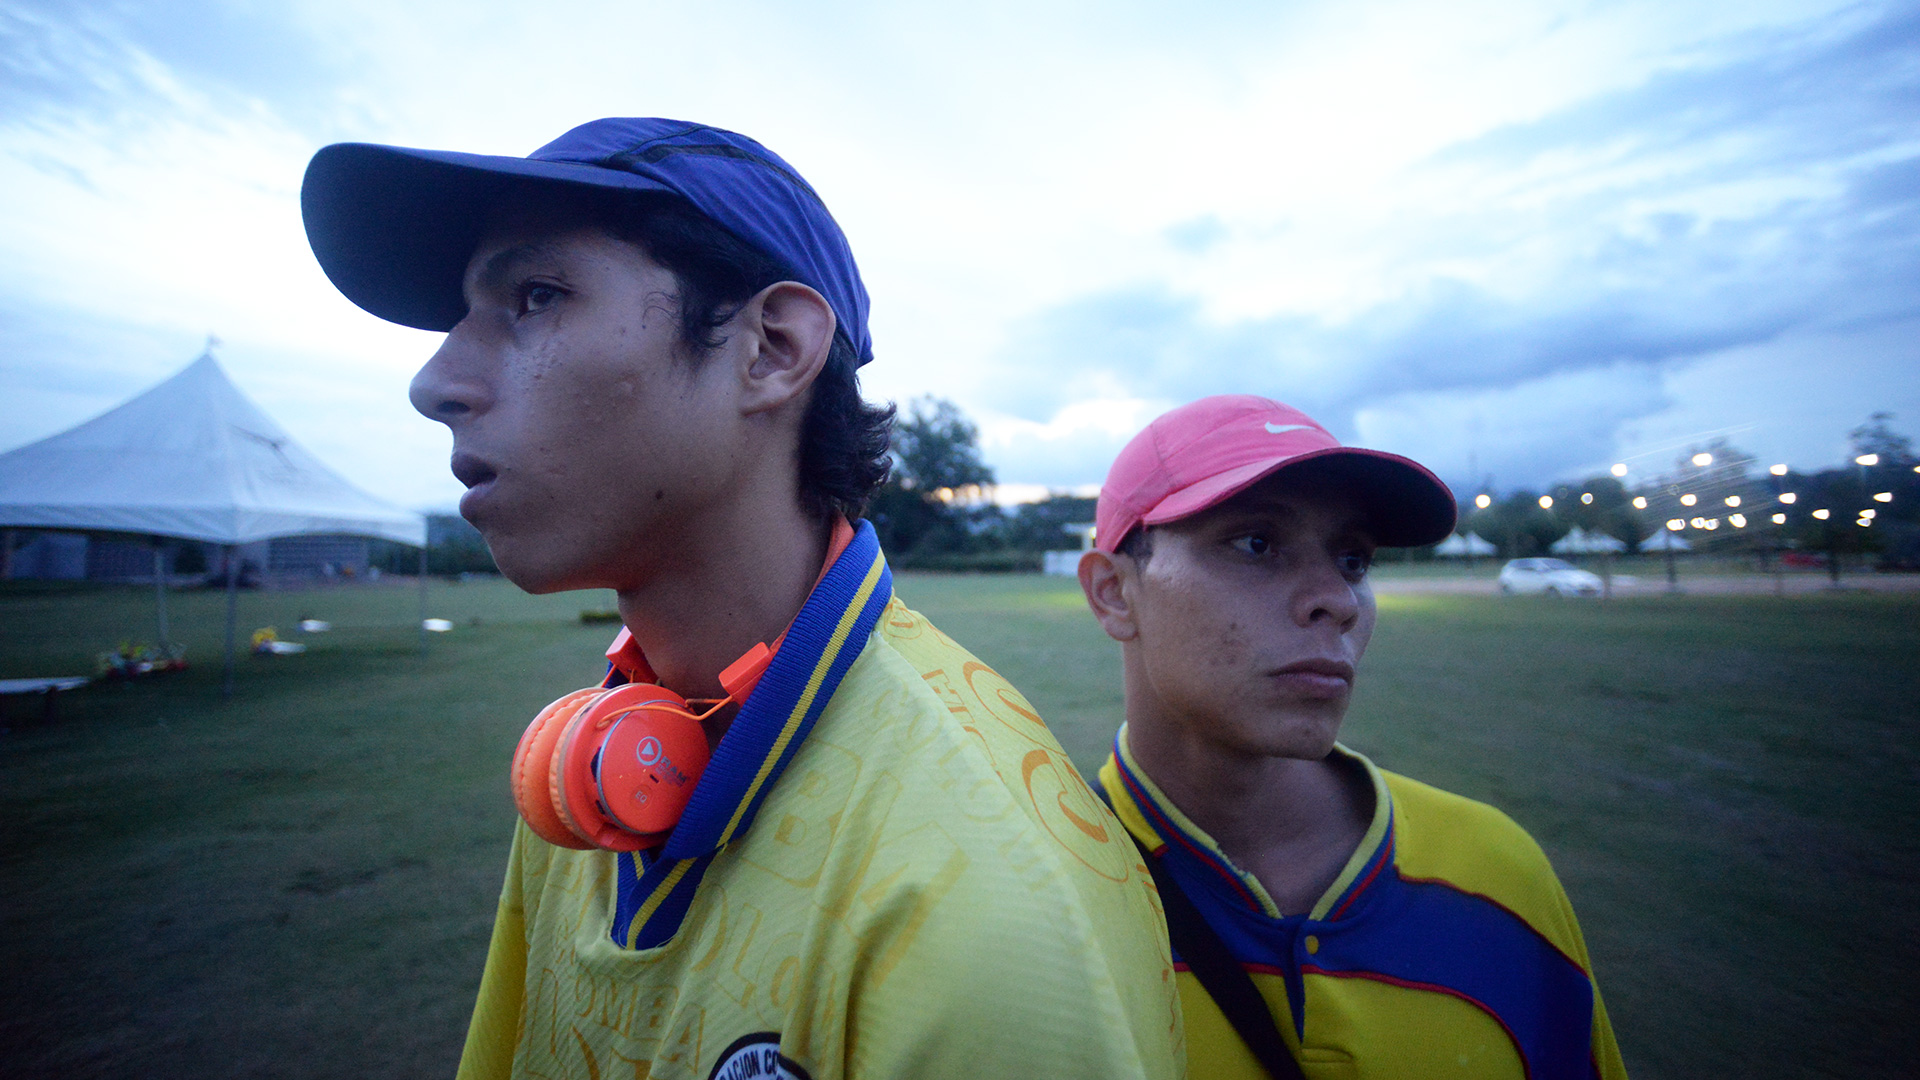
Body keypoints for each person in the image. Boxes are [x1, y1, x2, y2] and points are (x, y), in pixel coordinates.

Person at [301, 119, 1182, 1080]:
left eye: (536, 296)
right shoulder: (586, 774)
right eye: (462, 318)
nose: (437, 383)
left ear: (769, 347)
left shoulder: (991, 907)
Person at [1076, 395, 1628, 1080]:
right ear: (1113, 593)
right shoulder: (1043, 902)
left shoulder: (1498, 875)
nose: (1336, 599)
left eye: (1353, 558)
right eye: (1256, 542)